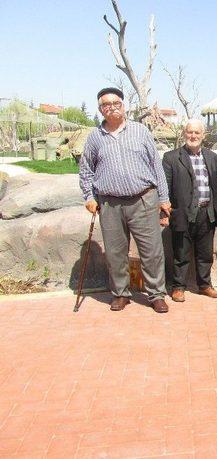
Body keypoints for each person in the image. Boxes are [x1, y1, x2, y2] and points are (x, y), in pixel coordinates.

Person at [79, 87, 170, 313]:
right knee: (115, 253)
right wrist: (89, 197)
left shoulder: (140, 131)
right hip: (110, 204)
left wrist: (164, 198)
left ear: (123, 104)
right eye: (105, 105)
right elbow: (86, 171)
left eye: (115, 103)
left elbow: (156, 166)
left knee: (152, 251)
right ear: (100, 109)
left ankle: (156, 294)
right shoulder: (94, 138)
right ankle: (120, 293)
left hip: (144, 200)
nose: (111, 107)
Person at [162, 119, 217, 302]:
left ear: (203, 135)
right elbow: (165, 188)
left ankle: (205, 285)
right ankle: (178, 287)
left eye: (197, 133)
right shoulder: (171, 157)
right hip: (182, 213)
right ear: (184, 133)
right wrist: (164, 212)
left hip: (207, 213)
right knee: (180, 253)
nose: (193, 136)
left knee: (205, 253)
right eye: (190, 132)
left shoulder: (212, 157)